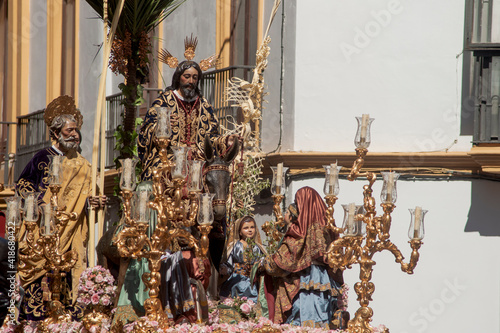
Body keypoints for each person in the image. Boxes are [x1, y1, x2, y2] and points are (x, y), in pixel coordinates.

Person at [15, 95, 106, 320]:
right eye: (69, 131)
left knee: (68, 283)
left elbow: (84, 199)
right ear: (56, 133)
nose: (74, 134)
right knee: (41, 287)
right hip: (43, 234)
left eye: (76, 130)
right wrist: (42, 205)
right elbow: (23, 187)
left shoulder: (84, 165)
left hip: (70, 236)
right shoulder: (41, 158)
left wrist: (91, 204)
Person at [259, 186, 344, 329]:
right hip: (322, 278)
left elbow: (285, 260)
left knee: (303, 316)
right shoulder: (328, 226)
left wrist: (264, 264)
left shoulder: (300, 231)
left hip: (304, 278)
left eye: (297, 201)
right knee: (320, 315)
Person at [219, 216, 267, 302]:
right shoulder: (236, 246)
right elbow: (229, 263)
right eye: (246, 228)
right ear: (240, 232)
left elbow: (262, 260)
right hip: (237, 280)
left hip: (253, 282)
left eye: (252, 227)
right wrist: (225, 269)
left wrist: (261, 264)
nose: (250, 230)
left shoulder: (257, 247)